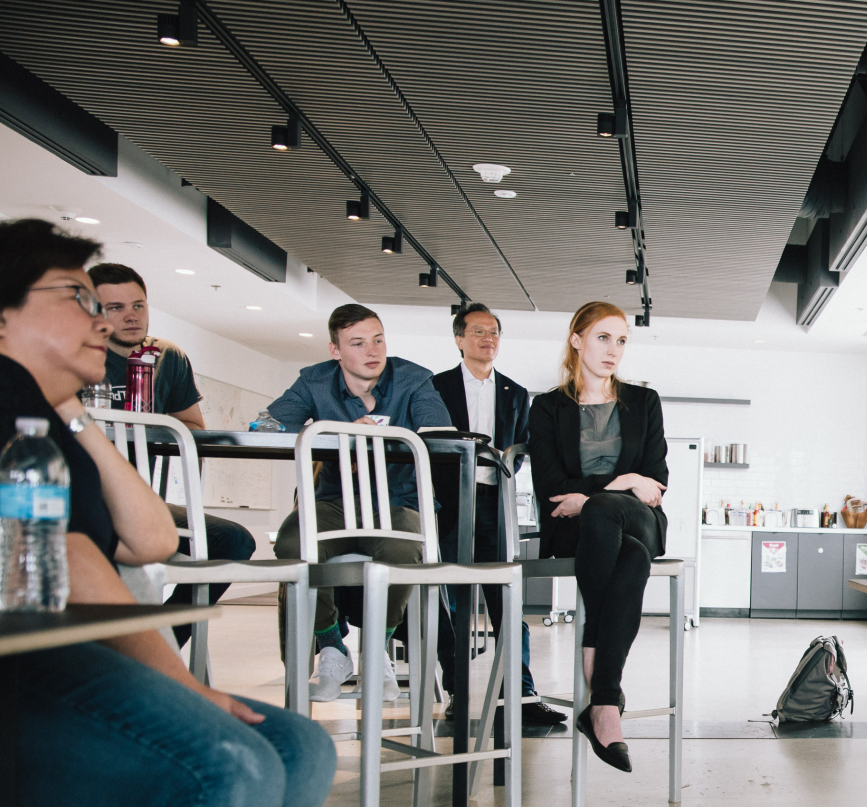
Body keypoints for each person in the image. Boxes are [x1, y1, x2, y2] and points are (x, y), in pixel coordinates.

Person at [0, 218, 334, 807]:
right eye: (73, 293)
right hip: (25, 680)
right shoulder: (0, 401)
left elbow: (147, 542)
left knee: (300, 750)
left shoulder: (45, 417)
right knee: (229, 768)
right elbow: (64, 558)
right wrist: (183, 685)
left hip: (59, 663)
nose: (101, 311)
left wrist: (81, 421)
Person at [268, 303, 452, 701]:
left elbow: (441, 434)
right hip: (333, 502)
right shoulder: (314, 381)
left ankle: (376, 647)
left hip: (398, 502)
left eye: (378, 340)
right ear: (335, 351)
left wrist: (375, 443)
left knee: (405, 548)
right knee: (290, 546)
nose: (373, 351)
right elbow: (267, 426)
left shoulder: (414, 379)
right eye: (357, 343)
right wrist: (334, 435)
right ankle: (332, 647)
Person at [526, 300, 666, 772]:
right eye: (603, 337)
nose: (613, 350)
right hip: (577, 531)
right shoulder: (546, 408)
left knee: (611, 513)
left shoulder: (644, 402)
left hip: (639, 519)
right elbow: (548, 488)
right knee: (629, 557)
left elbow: (654, 479)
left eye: (621, 340)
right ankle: (604, 703)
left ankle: (595, 667)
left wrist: (599, 493)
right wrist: (620, 482)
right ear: (576, 339)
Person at [89, 262, 258, 646]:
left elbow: (193, 429)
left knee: (233, 542)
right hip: (83, 498)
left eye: (138, 304)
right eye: (115, 307)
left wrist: (159, 428)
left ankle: (165, 644)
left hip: (142, 501)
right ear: (93, 314)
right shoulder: (79, 357)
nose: (131, 315)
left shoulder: (166, 357)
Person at [431, 304, 565, 733]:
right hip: (448, 504)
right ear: (459, 340)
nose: (487, 339)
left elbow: (522, 449)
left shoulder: (515, 392)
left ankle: (521, 693)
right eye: (477, 332)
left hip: (495, 501)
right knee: (451, 604)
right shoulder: (435, 387)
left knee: (507, 601)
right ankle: (458, 693)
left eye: (493, 332)